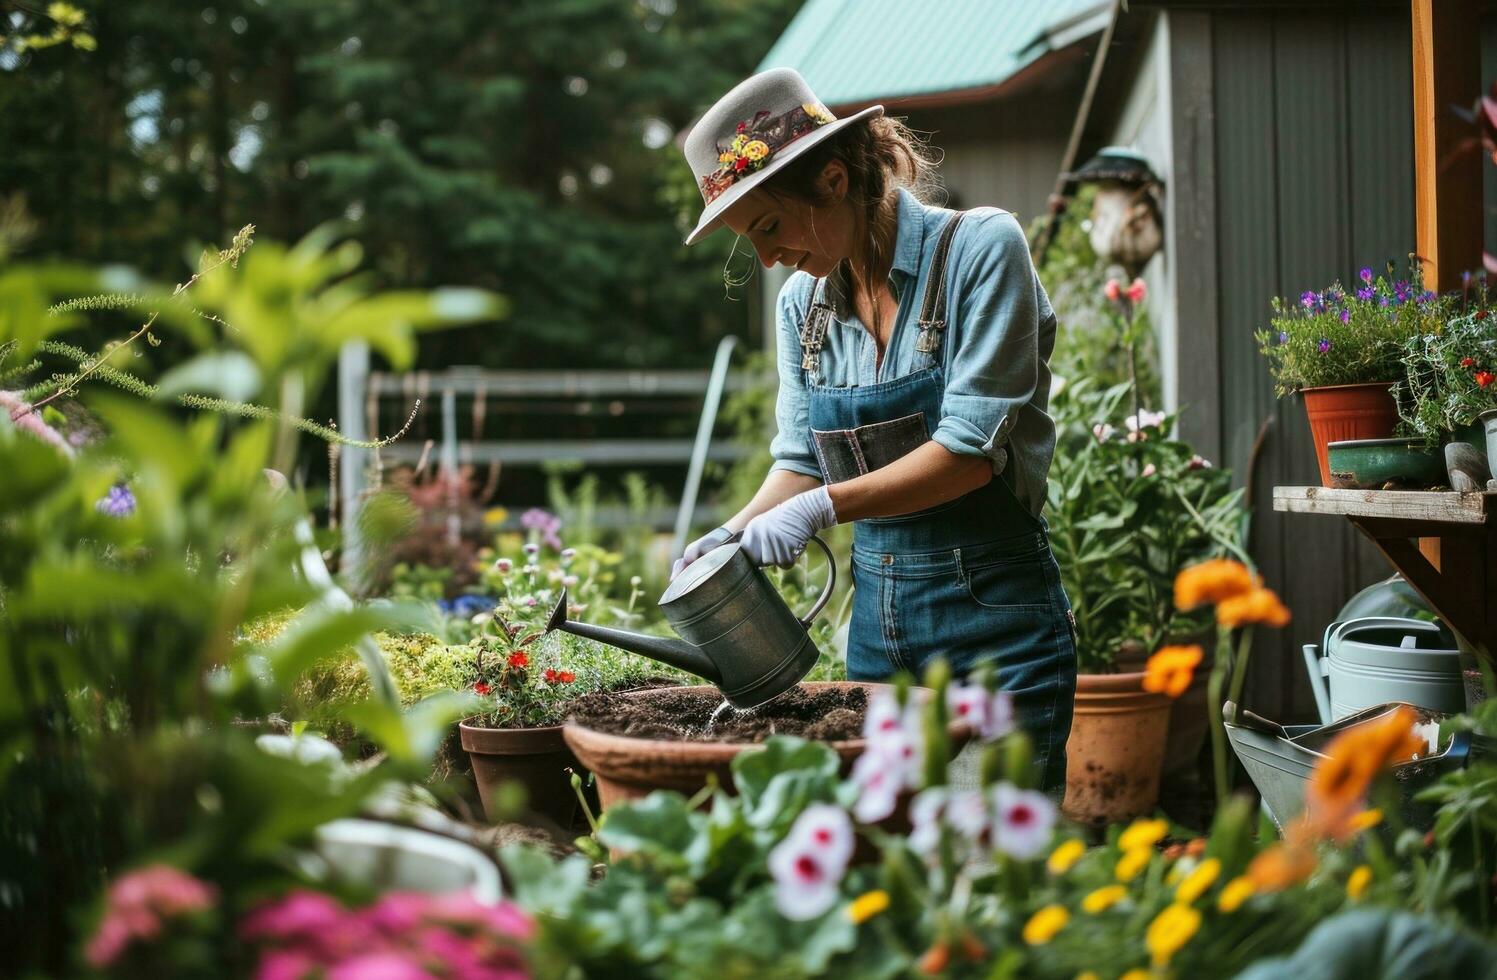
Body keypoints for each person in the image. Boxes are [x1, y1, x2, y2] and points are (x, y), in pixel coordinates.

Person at [672, 68, 1076, 792]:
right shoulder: (803, 307)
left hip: (994, 616)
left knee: (998, 854)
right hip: (877, 630)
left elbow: (966, 453)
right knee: (884, 860)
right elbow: (801, 459)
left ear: (832, 179)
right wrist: (729, 535)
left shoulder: (980, 252)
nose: (765, 259)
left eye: (768, 226)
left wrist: (823, 507)